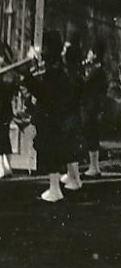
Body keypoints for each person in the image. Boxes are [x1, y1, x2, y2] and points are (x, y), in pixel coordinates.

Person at [25, 30, 71, 202]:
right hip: (54, 115)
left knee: (50, 150)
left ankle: (55, 189)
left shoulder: (54, 70)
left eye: (44, 47)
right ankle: (54, 188)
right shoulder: (56, 67)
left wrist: (27, 77)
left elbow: (43, 93)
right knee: (51, 150)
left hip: (50, 116)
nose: (41, 51)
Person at [60, 39, 86, 191]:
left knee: (70, 148)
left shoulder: (70, 75)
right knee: (70, 147)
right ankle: (73, 176)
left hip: (69, 115)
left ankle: (75, 179)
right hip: (74, 114)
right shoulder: (76, 73)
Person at [82, 40, 108, 178]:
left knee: (91, 136)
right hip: (93, 107)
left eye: (90, 52)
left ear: (95, 54)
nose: (88, 54)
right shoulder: (98, 69)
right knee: (92, 136)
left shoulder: (96, 70)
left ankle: (94, 167)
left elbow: (84, 85)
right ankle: (94, 166)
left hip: (91, 107)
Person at [0, 43, 18, 178]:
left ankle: (4, 167)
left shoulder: (6, 72)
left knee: (3, 134)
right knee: (4, 135)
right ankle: (6, 166)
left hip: (3, 105)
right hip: (6, 106)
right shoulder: (9, 72)